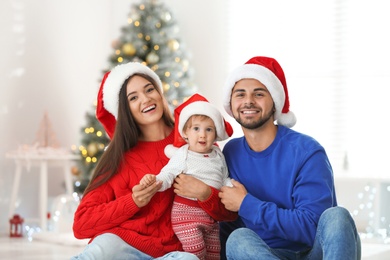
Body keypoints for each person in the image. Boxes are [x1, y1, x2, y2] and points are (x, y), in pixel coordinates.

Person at [71, 62, 236, 260]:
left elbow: (229, 214)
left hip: (173, 253)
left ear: (159, 93)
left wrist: (205, 193)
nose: (146, 98)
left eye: (149, 89)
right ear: (125, 110)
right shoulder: (118, 157)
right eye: (133, 98)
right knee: (103, 248)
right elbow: (81, 225)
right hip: (124, 245)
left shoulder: (197, 138)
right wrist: (133, 201)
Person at [218, 56, 361, 260]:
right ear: (231, 104)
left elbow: (311, 226)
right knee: (238, 239)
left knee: (337, 216)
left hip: (314, 252)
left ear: (274, 102)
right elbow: (225, 225)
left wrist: (246, 204)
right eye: (240, 94)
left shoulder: (307, 151)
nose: (248, 101)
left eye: (259, 94)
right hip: (264, 254)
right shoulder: (230, 153)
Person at [140, 93, 234, 259]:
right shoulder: (183, 154)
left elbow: (224, 177)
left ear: (216, 134)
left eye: (209, 129)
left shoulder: (218, 155)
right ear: (185, 132)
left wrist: (230, 187)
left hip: (211, 218)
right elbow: (168, 173)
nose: (202, 135)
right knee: (196, 253)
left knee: (214, 253)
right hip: (186, 214)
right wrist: (156, 181)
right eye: (196, 129)